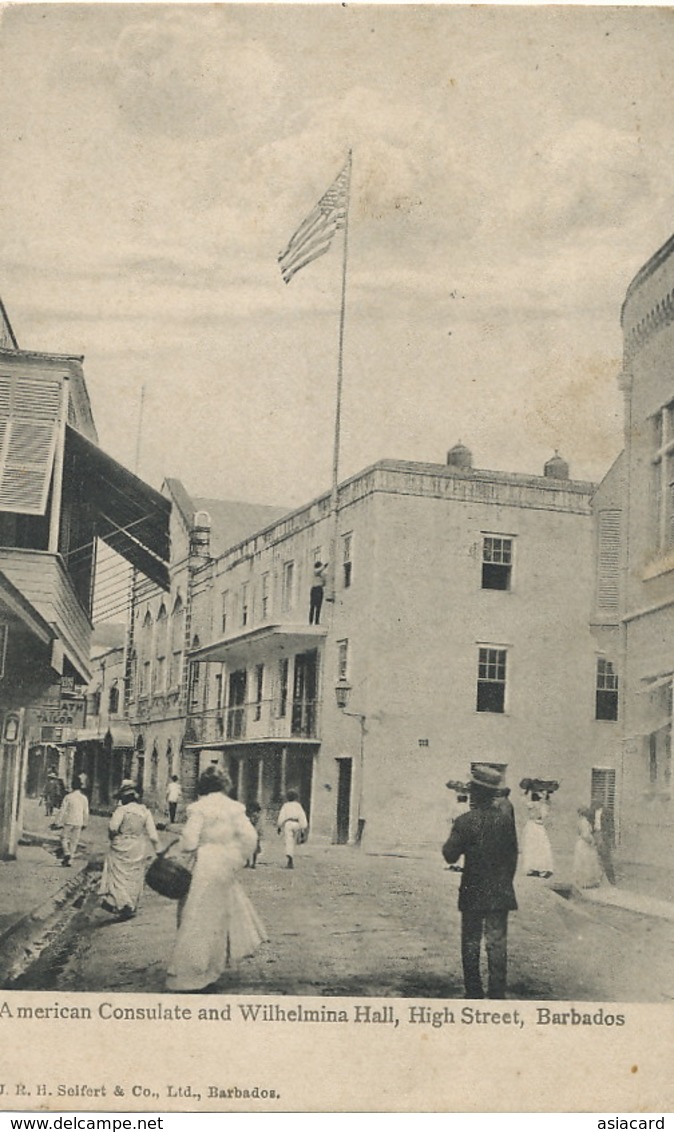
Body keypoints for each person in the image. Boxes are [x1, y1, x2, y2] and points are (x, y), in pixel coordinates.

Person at [166, 769, 266, 993]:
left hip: (205, 863)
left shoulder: (200, 809)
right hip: (225, 864)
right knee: (219, 917)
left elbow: (190, 842)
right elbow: (250, 838)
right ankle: (213, 965)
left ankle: (193, 970)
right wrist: (237, 858)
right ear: (225, 785)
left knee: (196, 915)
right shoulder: (234, 808)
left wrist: (189, 847)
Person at [442, 764, 518, 1000]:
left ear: (474, 792)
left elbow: (449, 855)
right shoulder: (505, 822)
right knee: (497, 943)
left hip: (473, 890)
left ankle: (473, 991)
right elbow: (513, 856)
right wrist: (504, 881)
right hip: (500, 890)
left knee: (471, 941)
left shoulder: (465, 821)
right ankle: (497, 992)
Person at [100, 783, 160, 920]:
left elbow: (113, 827)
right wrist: (159, 851)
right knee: (134, 875)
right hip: (138, 846)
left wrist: (113, 836)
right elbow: (153, 835)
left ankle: (121, 903)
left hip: (121, 843)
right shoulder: (145, 811)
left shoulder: (122, 810)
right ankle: (130, 904)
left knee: (119, 875)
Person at [521, 791, 554, 878]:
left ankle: (531, 868)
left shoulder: (530, 804)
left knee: (530, 846)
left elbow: (523, 800)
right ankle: (542, 869)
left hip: (530, 826)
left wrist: (526, 791)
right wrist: (546, 797)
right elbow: (545, 815)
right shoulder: (542, 806)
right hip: (538, 826)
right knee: (541, 847)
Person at [59, 782, 90, 867]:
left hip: (69, 820)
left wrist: (57, 821)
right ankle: (70, 860)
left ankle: (67, 853)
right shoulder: (84, 798)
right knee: (74, 841)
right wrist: (85, 822)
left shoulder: (68, 797)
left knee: (63, 837)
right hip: (79, 821)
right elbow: (86, 812)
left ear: (72, 786)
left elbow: (62, 810)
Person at [277, 789, 309, 869]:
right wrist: (303, 827)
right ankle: (291, 857)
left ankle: (290, 860)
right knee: (294, 841)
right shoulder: (298, 806)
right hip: (296, 823)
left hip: (288, 823)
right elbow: (302, 816)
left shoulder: (286, 806)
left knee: (289, 841)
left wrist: (279, 826)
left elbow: (282, 816)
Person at [573, 807, 603, 889]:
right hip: (584, 844)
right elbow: (585, 835)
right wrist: (592, 841)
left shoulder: (580, 821)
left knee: (583, 862)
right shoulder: (584, 822)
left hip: (580, 843)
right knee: (586, 862)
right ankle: (586, 882)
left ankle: (584, 882)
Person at [591, 802, 616, 885]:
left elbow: (611, 826)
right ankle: (598, 879)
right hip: (596, 834)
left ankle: (611, 879)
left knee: (606, 858)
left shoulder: (607, 812)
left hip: (604, 836)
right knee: (596, 858)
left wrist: (611, 839)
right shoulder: (592, 812)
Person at [309, 561, 329, 625]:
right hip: (314, 589)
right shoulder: (314, 572)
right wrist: (324, 566)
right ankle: (311, 621)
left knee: (319, 606)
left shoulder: (322, 574)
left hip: (319, 589)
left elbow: (324, 583)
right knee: (312, 606)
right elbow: (318, 571)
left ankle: (317, 621)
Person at [245, 801, 262, 868]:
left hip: (250, 832)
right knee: (255, 848)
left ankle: (248, 862)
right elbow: (259, 826)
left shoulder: (250, 816)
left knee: (247, 847)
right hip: (256, 833)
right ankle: (253, 863)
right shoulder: (258, 815)